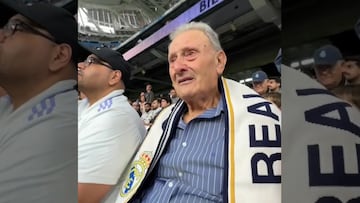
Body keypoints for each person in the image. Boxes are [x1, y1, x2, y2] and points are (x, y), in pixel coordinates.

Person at [115, 21, 281, 203]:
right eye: (172, 60)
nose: (178, 67)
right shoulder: (165, 119)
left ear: (219, 61)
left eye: (190, 54)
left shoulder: (261, 120)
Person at [0, 1, 78, 202]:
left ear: (59, 55)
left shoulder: (60, 124)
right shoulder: (11, 103)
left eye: (15, 28)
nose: (1, 35)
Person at [77, 47, 146, 203]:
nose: (80, 65)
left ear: (114, 77)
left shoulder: (116, 116)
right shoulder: (87, 106)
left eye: (91, 61)